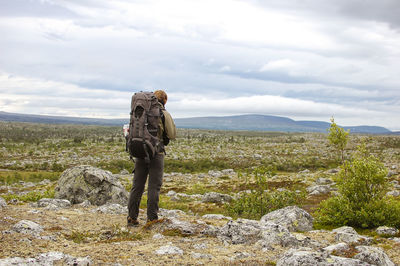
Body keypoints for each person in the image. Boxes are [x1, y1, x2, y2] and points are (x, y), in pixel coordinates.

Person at [127, 90, 176, 226]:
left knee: (137, 186)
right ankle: (152, 219)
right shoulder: (162, 113)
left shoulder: (141, 112)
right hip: (156, 152)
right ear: (164, 100)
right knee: (154, 186)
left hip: (140, 150)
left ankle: (132, 217)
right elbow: (172, 134)